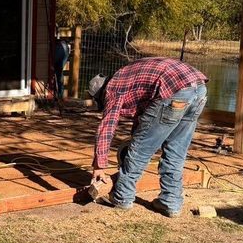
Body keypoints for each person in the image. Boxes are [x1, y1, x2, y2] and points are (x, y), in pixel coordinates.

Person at [89, 57, 208, 215]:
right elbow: (145, 119)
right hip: (198, 89)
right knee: (176, 150)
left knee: (139, 151)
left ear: (101, 94)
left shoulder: (112, 88)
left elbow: (107, 127)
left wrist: (99, 166)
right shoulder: (128, 76)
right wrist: (135, 139)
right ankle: (170, 202)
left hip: (174, 91)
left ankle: (122, 197)